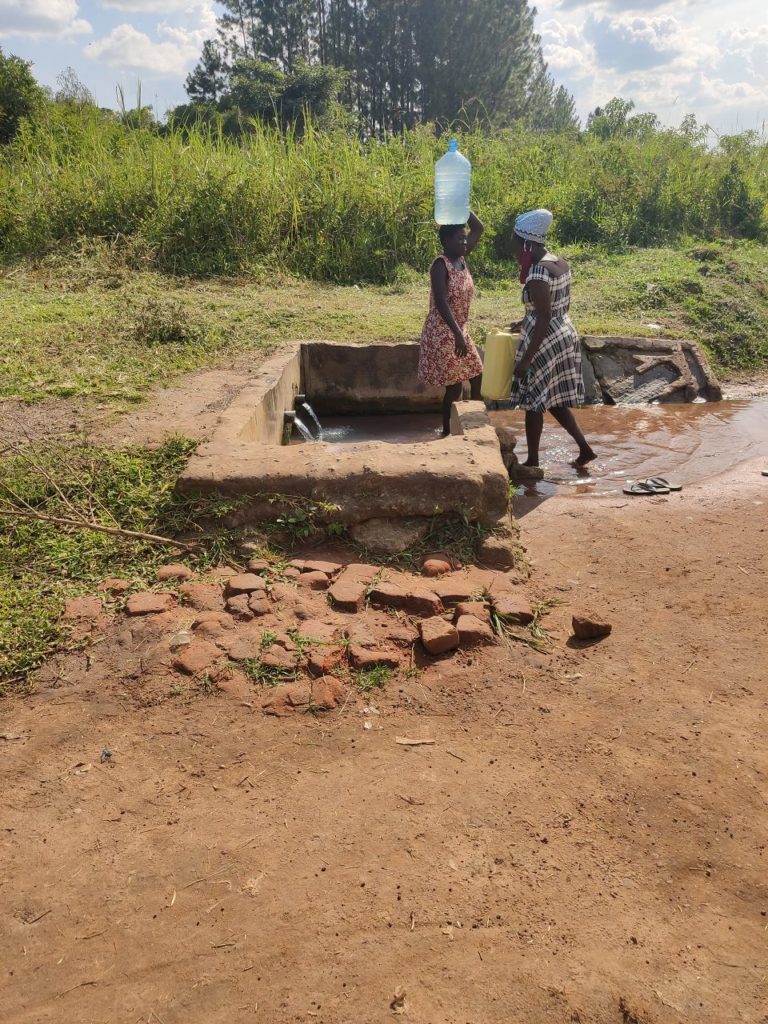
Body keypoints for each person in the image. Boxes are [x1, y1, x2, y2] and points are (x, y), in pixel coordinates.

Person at [510, 208, 596, 471]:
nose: (512, 246)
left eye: (514, 241)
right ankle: (585, 450)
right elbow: (552, 307)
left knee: (534, 402)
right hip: (564, 332)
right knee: (555, 400)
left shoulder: (537, 272)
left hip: (544, 339)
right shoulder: (557, 262)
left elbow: (544, 315)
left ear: (527, 243)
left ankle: (533, 461)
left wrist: (526, 359)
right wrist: (525, 320)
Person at [418, 212, 485, 437]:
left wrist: (462, 205)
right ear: (446, 241)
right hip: (443, 330)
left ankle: (474, 425)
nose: (465, 241)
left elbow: (478, 228)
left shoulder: (461, 257)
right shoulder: (441, 264)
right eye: (460, 238)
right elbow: (441, 302)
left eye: (465, 238)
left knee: (476, 374)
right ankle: (447, 432)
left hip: (459, 329)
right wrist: (456, 332)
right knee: (455, 386)